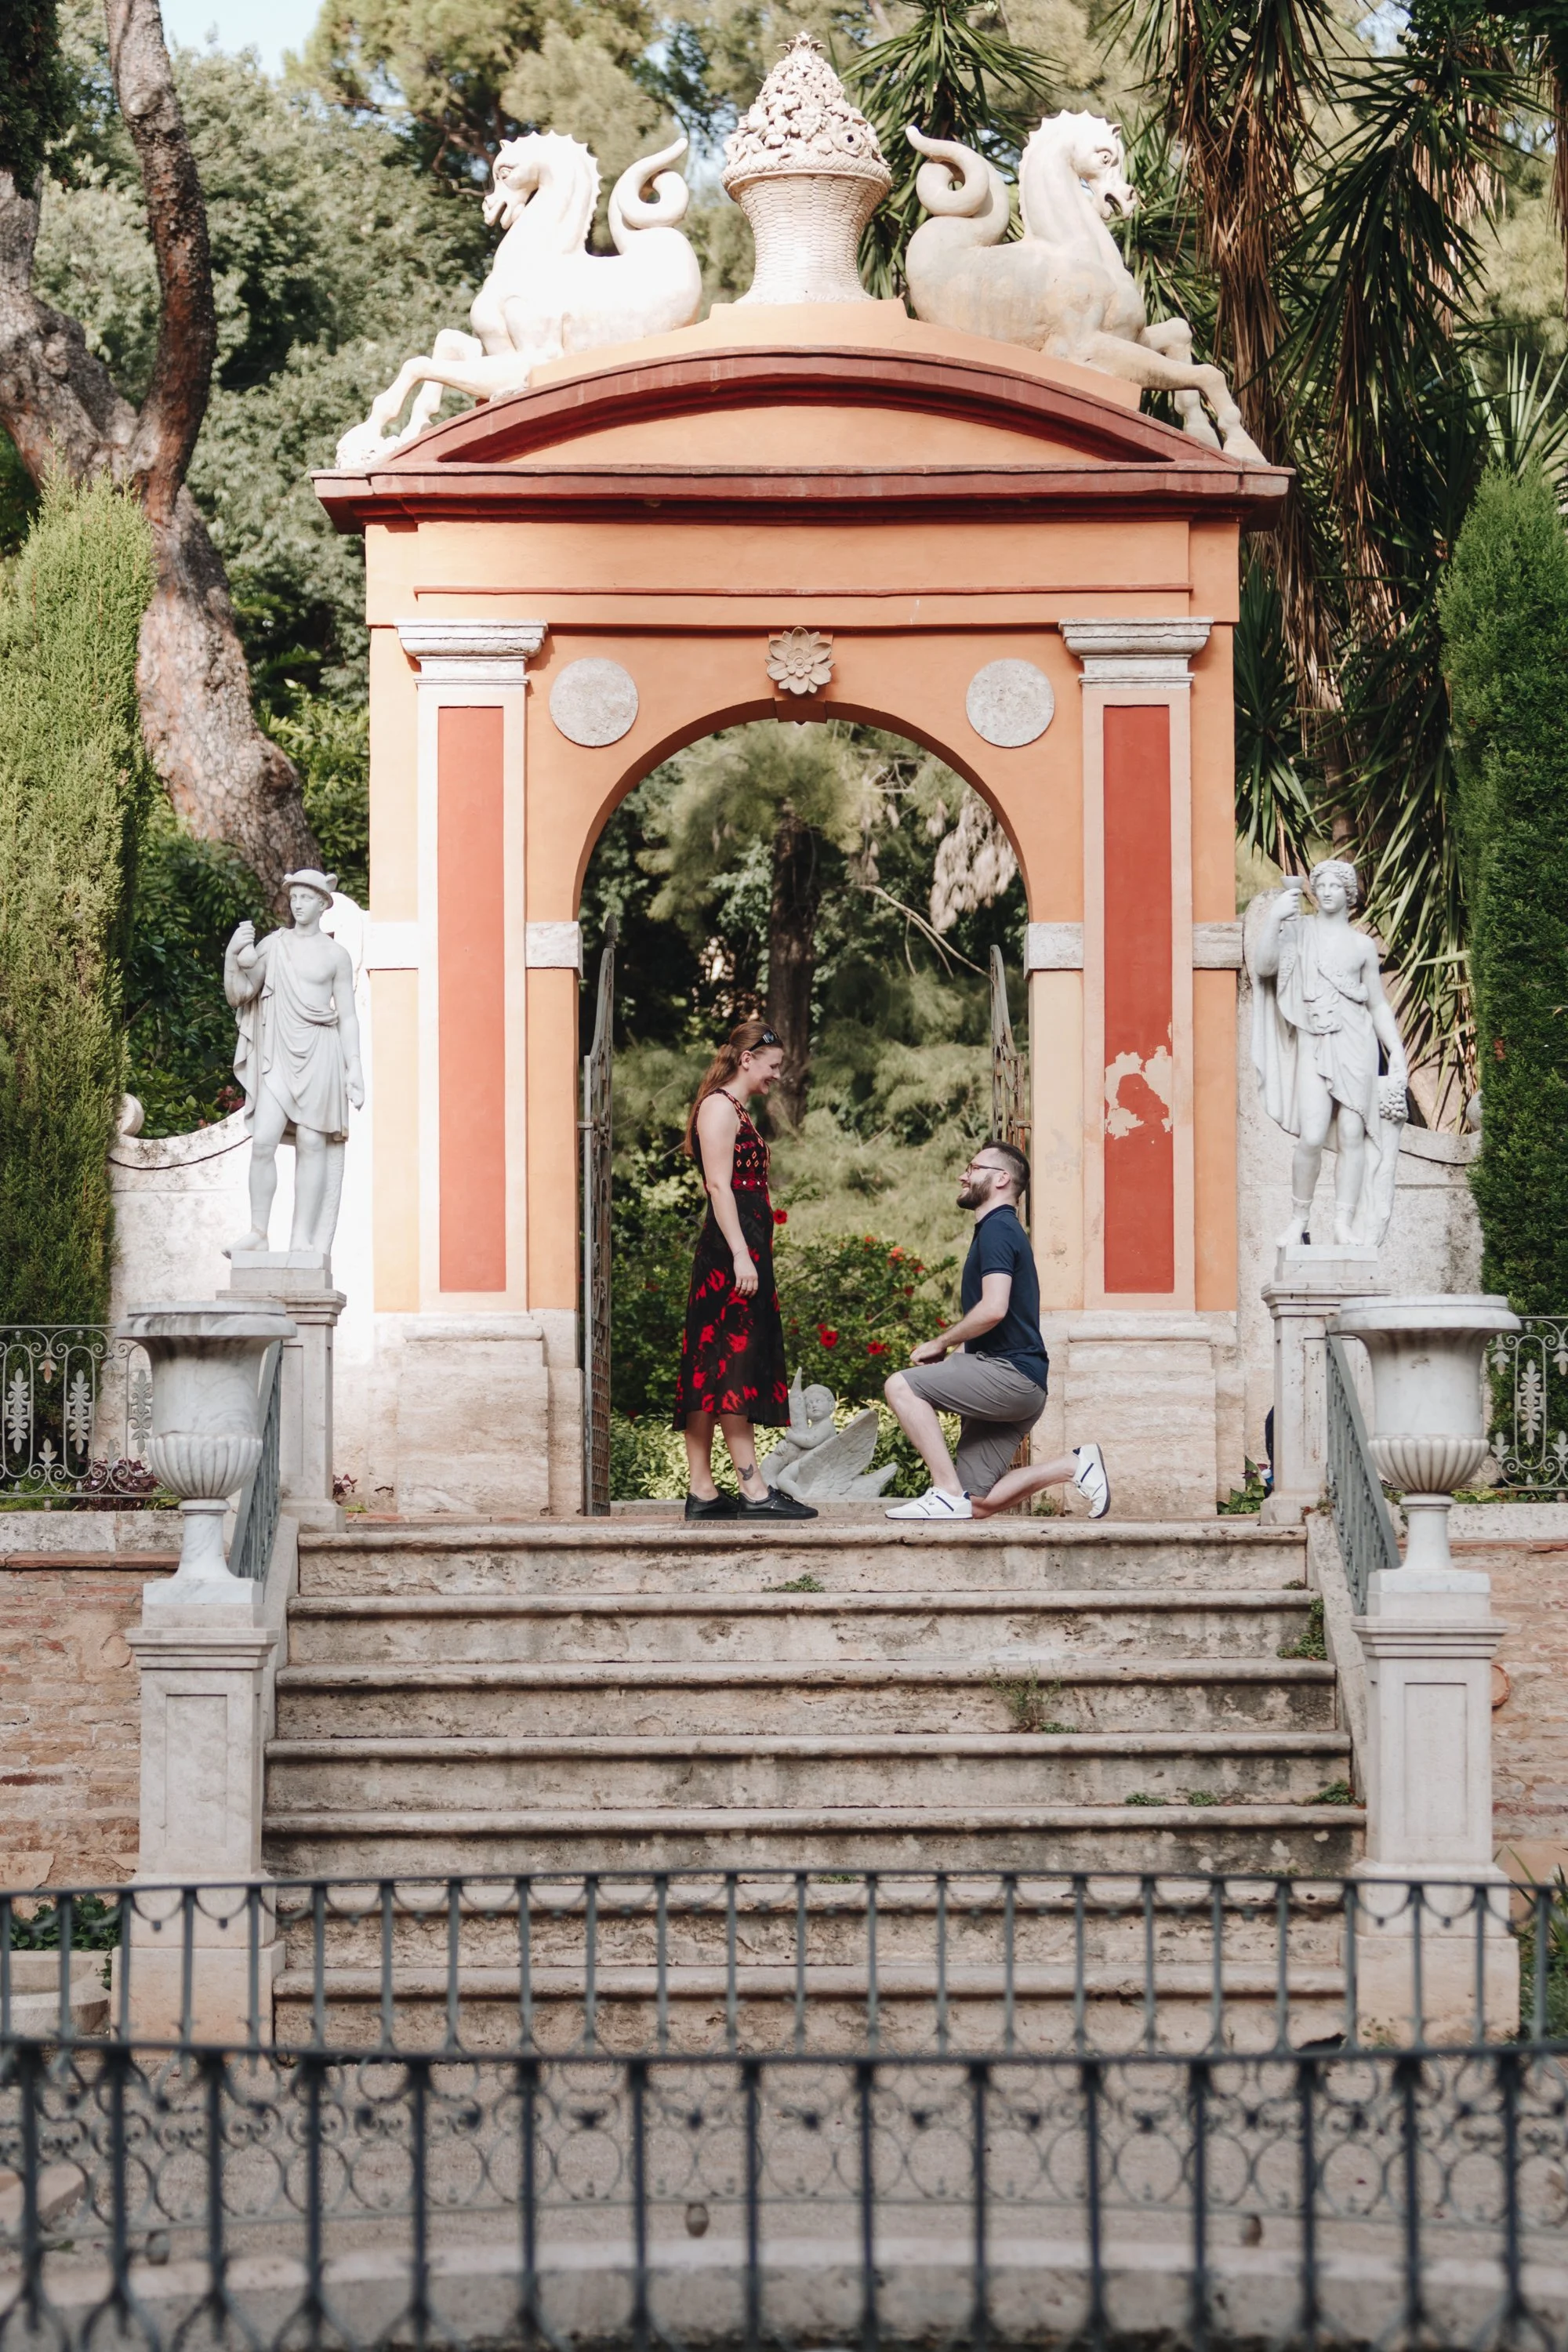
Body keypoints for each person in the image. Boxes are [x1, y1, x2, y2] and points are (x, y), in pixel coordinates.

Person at [884, 1141, 1109, 1522]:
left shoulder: (998, 1229)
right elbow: (998, 1319)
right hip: (1023, 1385)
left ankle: (944, 1492)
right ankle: (1074, 1466)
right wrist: (958, 1361)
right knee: (976, 1501)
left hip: (1010, 1377)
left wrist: (940, 1342)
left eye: (973, 1168)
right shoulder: (999, 1230)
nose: (963, 1175)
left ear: (1002, 1178)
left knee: (901, 1386)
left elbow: (993, 1308)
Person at [673, 1019, 817, 1522]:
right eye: (773, 1066)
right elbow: (718, 1186)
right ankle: (753, 1491)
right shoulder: (719, 1107)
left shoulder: (735, 1108)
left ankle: (704, 1493)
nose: (777, 1075)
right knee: (729, 1364)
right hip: (730, 1255)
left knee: (713, 1365)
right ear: (747, 1059)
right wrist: (739, 1253)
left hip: (742, 1250)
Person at [1248, 858, 1409, 1250]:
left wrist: (1396, 1052)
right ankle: (1298, 1221)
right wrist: (1275, 919)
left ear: (1349, 893)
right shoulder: (1298, 931)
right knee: (1313, 1134)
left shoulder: (1362, 946)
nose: (1326, 892)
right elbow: (1264, 967)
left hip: (1356, 1043)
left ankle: (1343, 1223)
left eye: (1335, 886)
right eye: (1320, 886)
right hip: (1314, 1040)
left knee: (1353, 1133)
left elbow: (1377, 1005)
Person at [223, 869, 364, 1258]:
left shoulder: (336, 956)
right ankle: (258, 1232)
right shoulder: (274, 946)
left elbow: (348, 1016)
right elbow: (241, 994)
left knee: (311, 1144)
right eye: (294, 897)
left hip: (320, 1053)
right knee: (263, 1142)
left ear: (322, 904)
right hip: (277, 1054)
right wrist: (232, 956)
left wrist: (354, 1067)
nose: (298, 904)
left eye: (306, 898)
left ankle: (301, 1237)